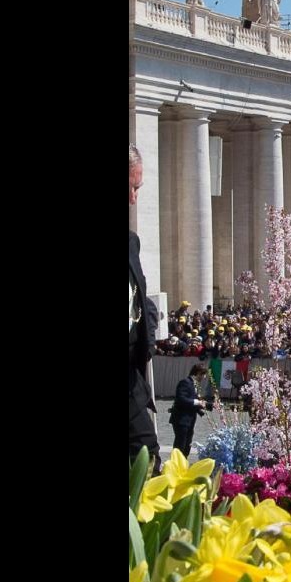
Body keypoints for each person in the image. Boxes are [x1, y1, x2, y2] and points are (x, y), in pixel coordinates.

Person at [129, 144, 161, 469]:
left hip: (131, 378)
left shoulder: (131, 243)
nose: (134, 199)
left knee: (147, 461)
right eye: (132, 187)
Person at [168, 362, 216, 457]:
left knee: (187, 445)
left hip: (189, 420)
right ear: (198, 373)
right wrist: (197, 402)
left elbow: (194, 401)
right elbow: (181, 399)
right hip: (181, 419)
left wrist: (211, 405)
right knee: (180, 446)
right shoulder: (185, 382)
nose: (204, 377)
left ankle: (183, 465)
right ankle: (175, 466)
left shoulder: (194, 384)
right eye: (204, 374)